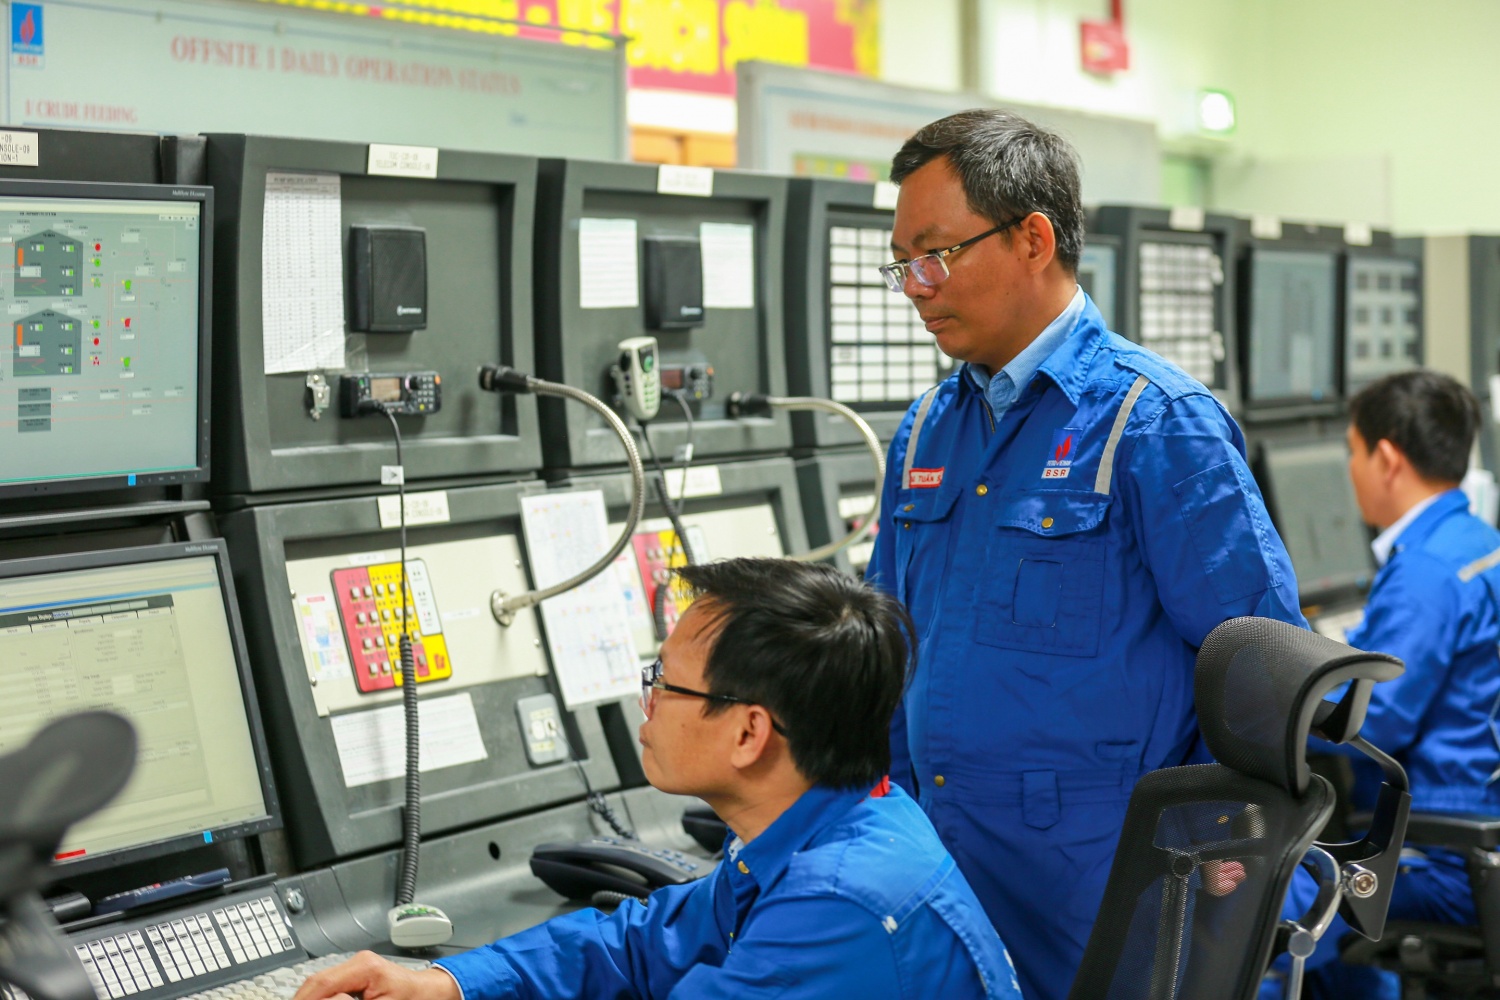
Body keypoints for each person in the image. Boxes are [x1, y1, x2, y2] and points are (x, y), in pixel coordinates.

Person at [863, 108, 1305, 1000]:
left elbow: (1263, 663)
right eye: (903, 262)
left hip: (1104, 885)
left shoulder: (1152, 422)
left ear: (1032, 239)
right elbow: (888, 646)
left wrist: (1229, 838)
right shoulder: (926, 431)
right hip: (940, 870)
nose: (917, 286)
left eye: (937, 254)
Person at [292, 558, 1021, 1000]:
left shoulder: (837, 908)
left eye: (664, 684)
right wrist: (445, 984)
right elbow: (646, 942)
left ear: (749, 733)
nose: (646, 705)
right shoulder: (836, 821)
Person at [1271, 370, 1500, 999]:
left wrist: (1271, 715)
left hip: (1443, 853)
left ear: (1388, 459)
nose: (1350, 470)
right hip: (1475, 823)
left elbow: (1374, 722)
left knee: (1262, 907)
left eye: (1352, 451)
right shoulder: (1478, 544)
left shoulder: (1426, 572)